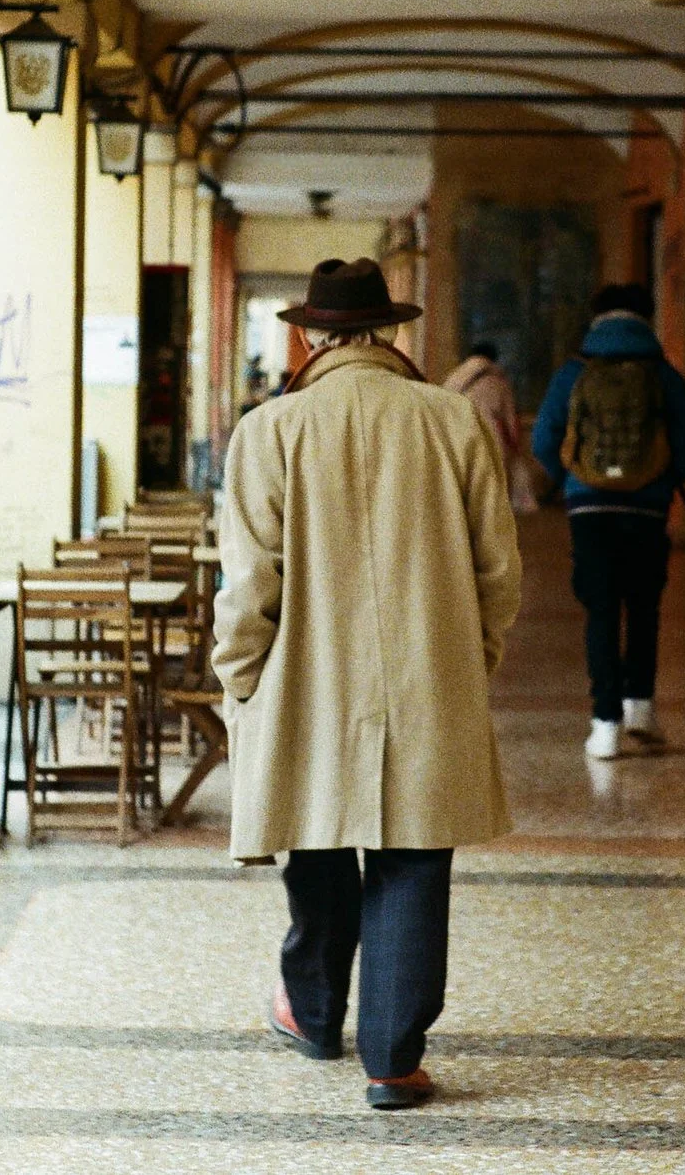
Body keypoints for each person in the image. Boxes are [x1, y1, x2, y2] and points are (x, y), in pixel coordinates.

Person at [215, 257, 521, 1112]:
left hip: (303, 682)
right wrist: (468, 659)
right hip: (430, 677)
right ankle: (392, 1060)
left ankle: (313, 1014)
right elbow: (500, 571)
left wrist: (241, 678)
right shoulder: (453, 421)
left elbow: (249, 584)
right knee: (413, 860)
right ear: (387, 330)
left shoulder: (269, 432)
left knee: (314, 842)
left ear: (312, 336)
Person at [531, 282, 685, 760]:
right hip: (647, 508)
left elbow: (543, 437)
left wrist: (573, 479)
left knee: (602, 610)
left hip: (589, 508)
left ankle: (605, 723)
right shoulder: (663, 374)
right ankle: (641, 708)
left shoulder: (574, 372)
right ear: (646, 319)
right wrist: (662, 479)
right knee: (644, 605)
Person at [442, 340, 541, 513]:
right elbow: (509, 415)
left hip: (459, 431)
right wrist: (514, 441)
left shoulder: (454, 376)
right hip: (491, 432)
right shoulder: (498, 379)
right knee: (491, 479)